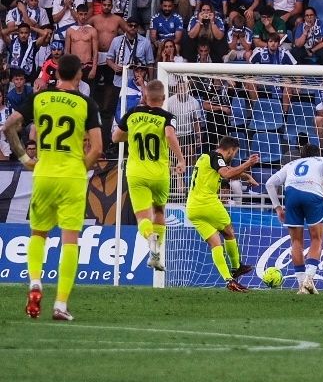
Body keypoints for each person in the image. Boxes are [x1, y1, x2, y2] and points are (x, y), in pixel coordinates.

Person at [2, 54, 102, 321]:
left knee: (38, 234)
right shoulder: (86, 103)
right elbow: (98, 148)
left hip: (43, 174)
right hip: (71, 176)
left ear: (57, 74)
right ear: (79, 75)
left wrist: (25, 158)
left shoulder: (40, 98)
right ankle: (60, 304)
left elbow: (9, 126)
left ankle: (35, 282)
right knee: (70, 238)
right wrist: (81, 167)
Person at [111, 78, 186, 271]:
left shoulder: (133, 114)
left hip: (136, 173)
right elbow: (169, 135)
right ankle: (157, 252)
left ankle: (149, 237)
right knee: (159, 211)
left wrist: (135, 133)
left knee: (142, 217)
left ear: (145, 96)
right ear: (163, 97)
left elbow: (115, 137)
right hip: (159, 173)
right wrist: (180, 159)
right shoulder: (168, 117)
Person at [186, 136, 260, 292]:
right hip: (207, 203)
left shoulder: (205, 158)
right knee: (229, 231)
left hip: (192, 208)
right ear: (231, 150)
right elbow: (226, 174)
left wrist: (245, 176)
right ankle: (236, 266)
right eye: (235, 153)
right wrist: (248, 164)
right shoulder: (217, 157)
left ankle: (229, 280)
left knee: (215, 243)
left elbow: (225, 174)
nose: (234, 156)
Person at [266, 143, 323, 294]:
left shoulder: (291, 164)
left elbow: (269, 183)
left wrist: (278, 208)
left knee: (296, 241)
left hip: (291, 196)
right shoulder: (321, 160)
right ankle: (309, 280)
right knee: (316, 239)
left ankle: (301, 285)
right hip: (313, 195)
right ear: (317, 154)